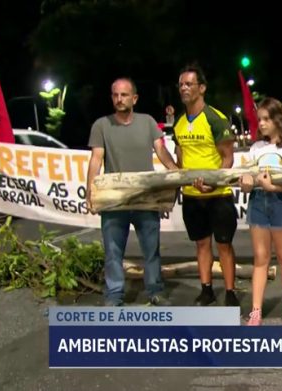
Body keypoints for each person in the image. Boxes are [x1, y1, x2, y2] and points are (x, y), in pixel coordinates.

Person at [86, 77, 178, 306]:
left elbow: (161, 150)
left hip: (145, 200)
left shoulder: (147, 123)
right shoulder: (101, 125)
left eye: (124, 95)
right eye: (115, 95)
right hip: (115, 200)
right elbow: (96, 159)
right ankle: (114, 295)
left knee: (151, 250)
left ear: (134, 98)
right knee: (113, 252)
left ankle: (155, 290)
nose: (119, 99)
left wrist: (176, 172)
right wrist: (90, 192)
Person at [174, 64, 239, 307]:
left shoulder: (215, 118)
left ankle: (230, 292)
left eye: (189, 84)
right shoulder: (179, 124)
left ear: (202, 88)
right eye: (181, 84)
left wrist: (212, 185)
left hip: (217, 195)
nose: (184, 88)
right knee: (201, 244)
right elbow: (180, 156)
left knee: (224, 244)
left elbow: (228, 158)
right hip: (191, 195)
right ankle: (207, 290)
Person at [239, 97, 282, 326]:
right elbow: (247, 177)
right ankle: (255, 310)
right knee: (261, 258)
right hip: (258, 203)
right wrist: (246, 183)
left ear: (279, 119)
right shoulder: (256, 148)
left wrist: (273, 187)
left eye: (267, 119)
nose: (262, 124)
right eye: (260, 120)